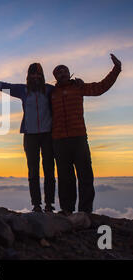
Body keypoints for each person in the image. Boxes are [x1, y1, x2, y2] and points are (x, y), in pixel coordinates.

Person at [0, 63, 56, 213]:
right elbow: (1, 85)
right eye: (33, 74)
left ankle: (49, 204)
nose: (36, 76)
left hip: (48, 135)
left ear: (42, 75)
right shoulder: (22, 90)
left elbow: (68, 87)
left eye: (38, 74)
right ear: (28, 76)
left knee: (49, 170)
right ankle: (36, 205)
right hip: (30, 136)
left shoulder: (49, 89)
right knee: (33, 171)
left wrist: (76, 82)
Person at [51, 54, 122, 216]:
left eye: (64, 71)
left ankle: (85, 211)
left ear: (69, 74)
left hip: (79, 138)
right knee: (64, 177)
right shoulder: (51, 93)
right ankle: (67, 209)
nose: (62, 74)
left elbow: (101, 87)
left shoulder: (78, 88)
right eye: (59, 73)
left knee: (85, 176)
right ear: (55, 76)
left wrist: (116, 69)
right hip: (59, 141)